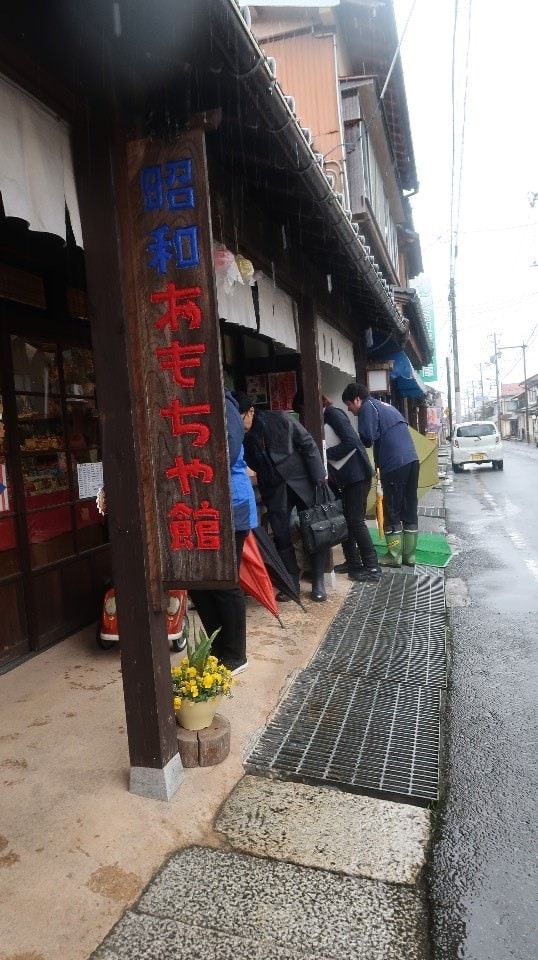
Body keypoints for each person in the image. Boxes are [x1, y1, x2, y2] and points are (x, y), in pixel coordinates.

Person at [236, 392, 330, 602]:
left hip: (301, 479)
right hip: (273, 487)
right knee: (281, 534)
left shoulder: (279, 418)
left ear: (251, 411)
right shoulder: (242, 436)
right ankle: (291, 583)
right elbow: (251, 463)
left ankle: (318, 581)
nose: (239, 423)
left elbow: (306, 442)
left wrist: (318, 476)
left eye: (240, 417)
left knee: (315, 528)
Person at [188, 388, 257, 675]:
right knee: (199, 581)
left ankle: (235, 654)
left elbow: (225, 449)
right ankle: (218, 647)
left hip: (230, 504)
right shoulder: (199, 402)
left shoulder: (224, 401)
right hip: (202, 505)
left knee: (225, 579)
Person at [341, 382, 419, 567]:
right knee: (409, 507)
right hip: (412, 460)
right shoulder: (386, 406)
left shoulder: (368, 408)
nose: (350, 410)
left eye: (349, 405)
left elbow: (367, 439)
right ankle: (410, 556)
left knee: (392, 509)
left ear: (358, 399)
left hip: (394, 463)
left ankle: (394, 556)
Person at [321, 394, 381, 582]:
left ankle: (372, 567)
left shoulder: (332, 414)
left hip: (357, 477)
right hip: (348, 478)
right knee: (347, 520)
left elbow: (351, 442)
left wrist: (324, 454)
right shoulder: (329, 416)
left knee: (355, 521)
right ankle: (353, 562)